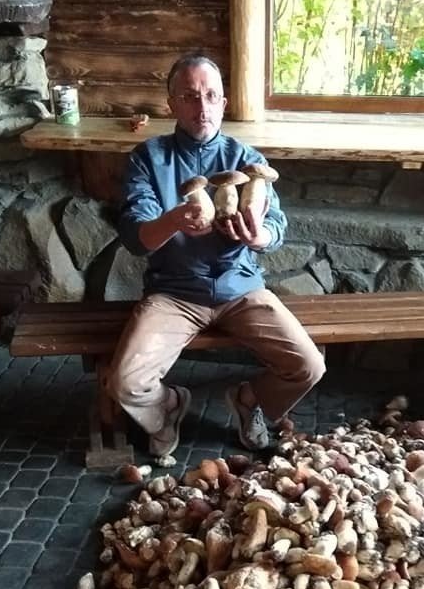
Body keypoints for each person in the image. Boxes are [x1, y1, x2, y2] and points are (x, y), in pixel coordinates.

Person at [106, 53, 326, 459]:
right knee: (125, 383)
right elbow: (137, 238)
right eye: (189, 96)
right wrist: (174, 220)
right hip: (174, 293)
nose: (202, 107)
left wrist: (259, 236)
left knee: (308, 366)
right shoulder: (148, 158)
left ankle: (249, 400)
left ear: (224, 103)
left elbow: (276, 227)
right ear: (171, 104)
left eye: (211, 96)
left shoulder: (248, 160)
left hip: (240, 289)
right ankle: (168, 408)